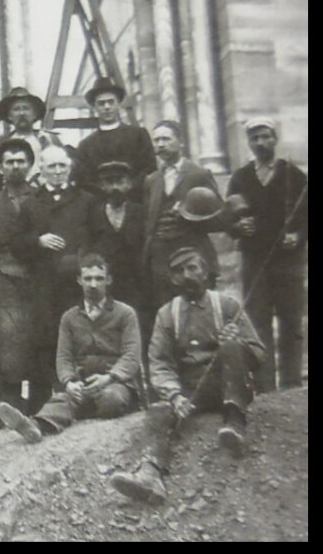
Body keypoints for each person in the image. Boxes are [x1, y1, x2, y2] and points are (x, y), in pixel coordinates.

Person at [109, 247, 265, 504]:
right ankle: (151, 474)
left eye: (192, 268)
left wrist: (238, 343)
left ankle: (234, 423)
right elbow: (159, 362)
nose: (187, 275)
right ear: (172, 279)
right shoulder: (167, 314)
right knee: (158, 412)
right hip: (190, 391)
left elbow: (259, 355)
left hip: (228, 385)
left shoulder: (227, 305)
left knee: (231, 344)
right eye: (179, 271)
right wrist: (174, 395)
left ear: (205, 271)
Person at [0, 253, 141, 443]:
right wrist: (69, 382)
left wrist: (109, 378)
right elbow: (64, 357)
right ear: (79, 281)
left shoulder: (125, 313)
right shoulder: (69, 318)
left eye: (99, 278)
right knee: (60, 401)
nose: (93, 284)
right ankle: (35, 427)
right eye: (88, 279)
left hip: (115, 382)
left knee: (110, 399)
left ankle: (85, 408)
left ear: (109, 280)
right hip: (83, 383)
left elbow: (131, 355)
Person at [226, 117, 308, 392]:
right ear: (248, 142)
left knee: (291, 324)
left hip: (289, 263)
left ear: (275, 138)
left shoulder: (294, 176)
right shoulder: (240, 178)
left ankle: (292, 386)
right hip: (254, 263)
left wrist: (298, 236)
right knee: (257, 324)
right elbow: (228, 218)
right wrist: (238, 226)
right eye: (255, 138)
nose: (260, 143)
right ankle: (265, 389)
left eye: (265, 136)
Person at [12, 145, 94, 408]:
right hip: (44, 286)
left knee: (81, 339)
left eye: (62, 166)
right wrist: (38, 241)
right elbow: (16, 245)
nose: (57, 172)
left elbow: (98, 239)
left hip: (78, 287)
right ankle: (40, 406)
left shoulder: (85, 200)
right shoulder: (31, 204)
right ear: (41, 170)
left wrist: (82, 260)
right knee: (44, 341)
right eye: (52, 167)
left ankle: (84, 402)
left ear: (69, 169)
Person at [0, 138, 38, 411]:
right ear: (1, 168)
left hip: (37, 280)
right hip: (6, 280)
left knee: (40, 341)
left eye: (20, 161)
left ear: (29, 165)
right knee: (8, 343)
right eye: (9, 162)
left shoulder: (40, 197)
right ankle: (12, 411)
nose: (15, 167)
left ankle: (41, 407)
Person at [142, 120, 221, 309]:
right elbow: (147, 220)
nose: (160, 144)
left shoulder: (199, 174)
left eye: (166, 139)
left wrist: (189, 212)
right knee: (166, 311)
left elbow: (219, 217)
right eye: (156, 140)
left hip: (192, 252)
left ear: (180, 142)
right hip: (160, 258)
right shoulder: (151, 180)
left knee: (197, 308)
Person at [86, 162, 151, 353]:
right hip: (107, 288)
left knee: (139, 334)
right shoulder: (94, 214)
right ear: (102, 186)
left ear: (129, 184)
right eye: (109, 182)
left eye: (120, 181)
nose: (115, 187)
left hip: (137, 286)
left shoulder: (140, 212)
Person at [72, 78, 156, 196]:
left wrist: (129, 187)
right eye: (101, 103)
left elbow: (150, 168)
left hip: (135, 202)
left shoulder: (138, 135)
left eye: (111, 102)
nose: (107, 107)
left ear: (118, 104)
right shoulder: (86, 145)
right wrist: (105, 191)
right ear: (94, 107)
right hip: (100, 205)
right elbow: (83, 180)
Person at [0, 87, 64, 184]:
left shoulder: (48, 139)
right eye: (16, 109)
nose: (22, 113)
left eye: (26, 108)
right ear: (9, 116)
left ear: (35, 114)